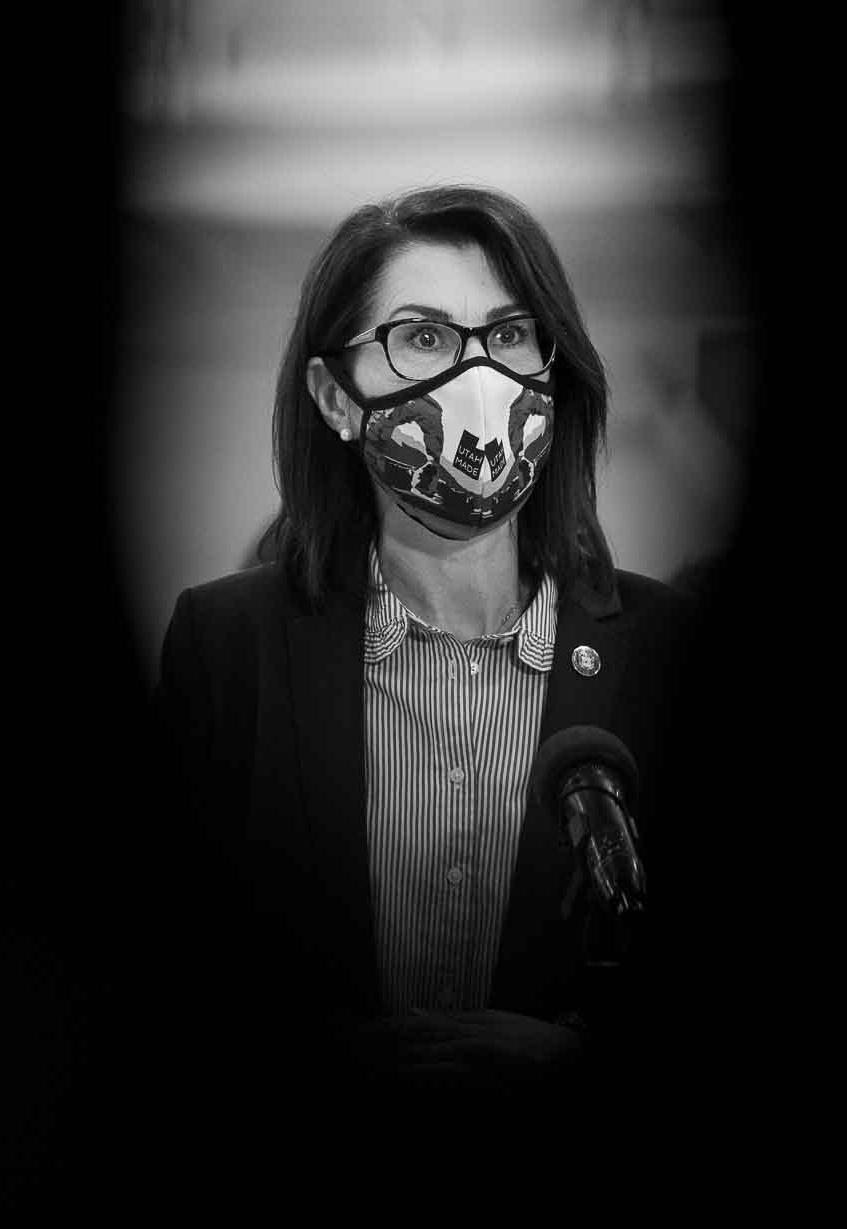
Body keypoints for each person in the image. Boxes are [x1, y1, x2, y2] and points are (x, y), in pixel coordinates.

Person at [149, 185, 696, 1158]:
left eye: (509, 333)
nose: (478, 373)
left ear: (552, 368)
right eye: (425, 339)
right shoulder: (223, 645)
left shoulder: (670, 650)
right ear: (333, 397)